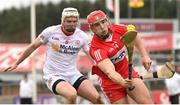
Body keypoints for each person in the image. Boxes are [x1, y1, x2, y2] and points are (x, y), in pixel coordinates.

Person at [2, 7, 104, 104]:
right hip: (53, 75)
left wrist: (104, 69)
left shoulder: (82, 36)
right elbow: (33, 46)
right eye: (69, 21)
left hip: (72, 74)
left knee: (97, 98)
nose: (72, 24)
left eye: (74, 21)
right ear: (62, 21)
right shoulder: (50, 32)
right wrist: (16, 63)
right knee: (71, 94)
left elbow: (92, 55)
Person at [86, 10, 153, 104]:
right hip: (111, 83)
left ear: (107, 21)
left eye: (103, 22)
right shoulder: (96, 49)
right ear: (92, 29)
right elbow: (110, 72)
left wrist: (144, 56)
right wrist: (123, 82)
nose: (102, 27)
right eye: (97, 25)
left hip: (128, 73)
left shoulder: (117, 28)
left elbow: (134, 35)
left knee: (147, 103)